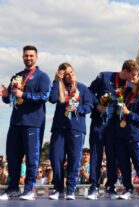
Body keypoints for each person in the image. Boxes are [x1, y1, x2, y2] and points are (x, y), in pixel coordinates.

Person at [0, 45, 51, 201]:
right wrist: (5, 95)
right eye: (25, 55)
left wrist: (25, 94)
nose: (28, 58)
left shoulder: (43, 77)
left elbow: (44, 96)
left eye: (31, 56)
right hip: (15, 122)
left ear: (36, 57)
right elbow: (10, 99)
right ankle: (13, 188)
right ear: (22, 57)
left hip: (33, 123)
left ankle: (29, 189)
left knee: (32, 158)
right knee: (13, 157)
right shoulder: (17, 76)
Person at [86, 60, 139, 200]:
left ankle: (110, 187)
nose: (134, 77)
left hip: (114, 126)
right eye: (132, 75)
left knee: (112, 157)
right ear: (126, 71)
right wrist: (96, 104)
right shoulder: (104, 77)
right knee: (96, 155)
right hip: (99, 122)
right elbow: (89, 91)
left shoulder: (129, 86)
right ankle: (94, 187)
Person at [48, 63, 92, 200]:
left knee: (74, 159)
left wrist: (78, 109)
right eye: (66, 73)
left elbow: (89, 106)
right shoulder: (59, 87)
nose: (69, 75)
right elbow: (52, 99)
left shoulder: (83, 88)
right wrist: (56, 81)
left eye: (71, 72)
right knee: (56, 158)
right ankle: (58, 188)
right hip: (59, 128)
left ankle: (71, 189)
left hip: (76, 128)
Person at [115, 75, 139, 200]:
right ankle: (128, 188)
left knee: (138, 162)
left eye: (138, 76)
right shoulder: (127, 95)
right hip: (121, 133)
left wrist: (128, 113)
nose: (134, 77)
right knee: (123, 164)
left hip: (133, 135)